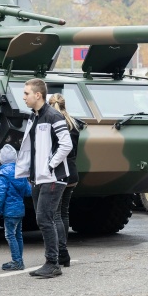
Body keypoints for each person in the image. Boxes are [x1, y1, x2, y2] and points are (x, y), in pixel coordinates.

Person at [16, 79, 72, 278]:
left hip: (52, 178)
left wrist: (50, 165)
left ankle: (52, 263)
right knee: (47, 219)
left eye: (26, 93)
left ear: (37, 95)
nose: (24, 97)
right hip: (38, 178)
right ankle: (58, 258)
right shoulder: (35, 116)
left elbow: (66, 144)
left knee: (44, 218)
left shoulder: (52, 115)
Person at [48, 93, 85, 268]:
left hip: (59, 172)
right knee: (63, 212)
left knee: (54, 214)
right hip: (73, 173)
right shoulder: (74, 124)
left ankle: (62, 252)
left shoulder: (54, 124)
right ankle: (63, 251)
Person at [0, 144, 31, 271]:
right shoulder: (21, 173)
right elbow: (28, 192)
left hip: (9, 210)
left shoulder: (2, 175)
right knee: (18, 235)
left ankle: (17, 261)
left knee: (10, 235)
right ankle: (19, 260)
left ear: (1, 159)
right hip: (20, 209)